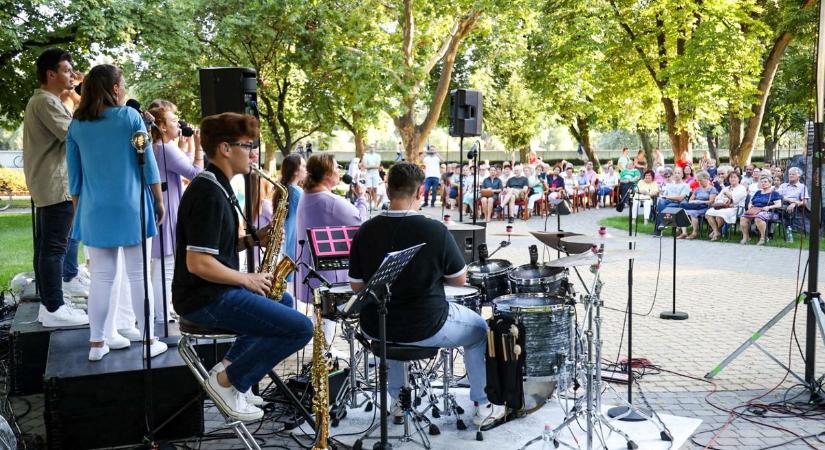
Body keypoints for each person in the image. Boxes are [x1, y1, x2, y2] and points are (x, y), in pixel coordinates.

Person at [173, 112, 312, 421]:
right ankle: (228, 381)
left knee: (284, 301)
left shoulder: (218, 187)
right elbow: (197, 262)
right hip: (203, 299)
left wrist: (251, 240)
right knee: (301, 328)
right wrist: (247, 279)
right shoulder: (209, 193)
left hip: (213, 291)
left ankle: (228, 370)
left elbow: (214, 249)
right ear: (225, 148)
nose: (254, 154)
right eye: (248, 146)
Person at [348, 162, 506, 427]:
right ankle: (483, 404)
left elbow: (356, 287)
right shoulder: (434, 230)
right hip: (426, 325)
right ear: (420, 192)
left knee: (391, 330)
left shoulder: (366, 230)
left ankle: (398, 403)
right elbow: (459, 279)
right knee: (480, 330)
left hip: (375, 326)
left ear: (387, 190)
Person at [66, 64, 166, 360]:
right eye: (122, 85)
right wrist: (158, 200)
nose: (124, 90)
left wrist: (80, 213)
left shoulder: (77, 125)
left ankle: (97, 343)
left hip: (94, 210)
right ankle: (149, 341)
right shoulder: (130, 118)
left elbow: (75, 179)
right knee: (138, 275)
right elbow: (146, 160)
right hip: (131, 206)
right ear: (114, 89)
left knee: (101, 278)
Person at [23, 48, 89, 327]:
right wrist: (87, 98)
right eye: (66, 70)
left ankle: (51, 302)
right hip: (56, 184)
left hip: (52, 183)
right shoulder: (46, 102)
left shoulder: (48, 100)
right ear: (51, 74)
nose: (72, 75)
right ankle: (53, 308)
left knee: (48, 248)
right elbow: (75, 134)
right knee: (54, 248)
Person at [295, 154, 368, 346]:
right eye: (336, 167)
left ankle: (322, 348)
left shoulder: (307, 194)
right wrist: (361, 198)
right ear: (327, 173)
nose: (339, 171)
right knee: (329, 312)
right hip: (327, 266)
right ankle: (324, 351)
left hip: (310, 262)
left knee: (322, 313)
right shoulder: (329, 200)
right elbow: (361, 222)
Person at [148, 105, 204, 321]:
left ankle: (160, 310)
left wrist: (186, 146)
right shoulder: (165, 149)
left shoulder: (160, 147)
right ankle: (161, 314)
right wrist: (199, 147)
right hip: (169, 210)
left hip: (165, 207)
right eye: (173, 120)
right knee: (166, 265)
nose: (178, 124)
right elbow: (196, 173)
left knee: (159, 266)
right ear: (161, 126)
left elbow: (180, 163)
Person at [280, 154, 306, 291]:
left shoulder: (286, 189)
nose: (305, 169)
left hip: (287, 244)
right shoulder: (297, 192)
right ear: (295, 170)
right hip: (293, 244)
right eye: (303, 166)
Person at [740, 176, 782, 245]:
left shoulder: (774, 193)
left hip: (770, 212)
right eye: (762, 182)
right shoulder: (758, 192)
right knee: (743, 218)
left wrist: (769, 207)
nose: (763, 183)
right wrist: (750, 205)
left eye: (765, 182)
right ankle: (746, 237)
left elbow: (779, 204)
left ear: (770, 183)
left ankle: (763, 238)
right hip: (755, 210)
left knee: (758, 217)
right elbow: (751, 201)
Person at [705, 171, 747, 241]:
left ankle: (715, 232)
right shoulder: (726, 188)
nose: (732, 179)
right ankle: (716, 232)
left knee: (721, 214)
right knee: (708, 213)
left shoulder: (742, 188)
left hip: (736, 208)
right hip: (723, 207)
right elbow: (717, 198)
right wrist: (722, 200)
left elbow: (735, 200)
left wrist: (727, 193)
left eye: (734, 177)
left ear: (738, 179)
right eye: (730, 177)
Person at [653, 168, 691, 237]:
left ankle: (659, 228)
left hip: (678, 203)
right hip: (667, 202)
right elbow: (664, 196)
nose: (676, 175)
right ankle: (662, 223)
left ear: (682, 175)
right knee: (661, 201)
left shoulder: (685, 185)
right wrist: (663, 195)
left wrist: (667, 197)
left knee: (665, 207)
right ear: (673, 175)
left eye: (678, 173)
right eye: (675, 173)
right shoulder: (669, 185)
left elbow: (680, 198)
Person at [681, 171, 717, 239]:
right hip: (696, 206)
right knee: (682, 212)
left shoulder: (712, 189)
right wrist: (695, 201)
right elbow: (690, 200)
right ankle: (684, 233)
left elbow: (711, 201)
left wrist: (700, 201)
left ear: (706, 179)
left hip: (706, 207)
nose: (699, 182)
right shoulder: (697, 190)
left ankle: (694, 233)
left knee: (692, 213)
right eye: (698, 181)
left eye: (701, 180)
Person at [776, 167, 808, 239]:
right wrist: (787, 199)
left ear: (798, 176)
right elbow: (777, 196)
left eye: (793, 174)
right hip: (779, 204)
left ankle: (789, 232)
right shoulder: (783, 185)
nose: (790, 176)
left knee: (788, 207)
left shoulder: (802, 187)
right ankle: (769, 233)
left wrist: (794, 203)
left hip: (794, 208)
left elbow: (804, 202)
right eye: (789, 174)